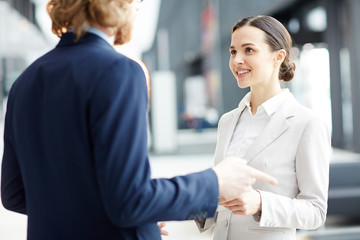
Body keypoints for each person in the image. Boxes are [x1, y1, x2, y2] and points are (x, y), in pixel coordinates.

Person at [0, 2, 278, 240]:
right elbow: (129, 200)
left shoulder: (25, 82)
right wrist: (215, 182)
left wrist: (133, 212)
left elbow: (14, 194)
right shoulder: (119, 71)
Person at [197, 15, 331, 240]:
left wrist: (260, 202)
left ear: (278, 57)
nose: (237, 60)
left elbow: (315, 211)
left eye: (248, 50)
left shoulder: (306, 123)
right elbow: (222, 201)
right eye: (233, 51)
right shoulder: (227, 121)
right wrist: (201, 203)